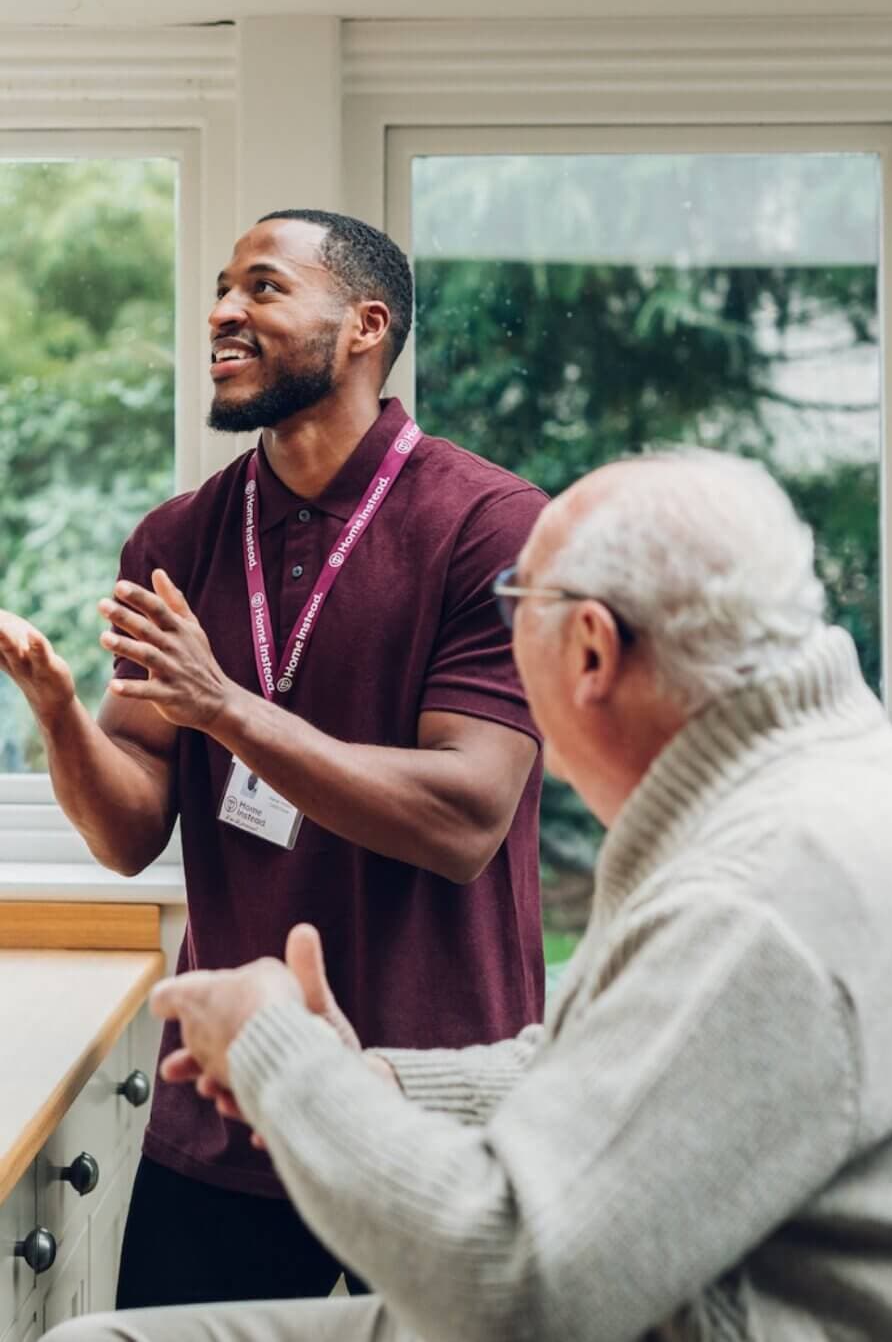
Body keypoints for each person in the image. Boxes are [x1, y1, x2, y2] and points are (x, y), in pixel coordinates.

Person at [48, 447, 892, 1342]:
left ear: (588, 649)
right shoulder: (847, 784)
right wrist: (384, 1080)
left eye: (517, 605)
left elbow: (513, 1287)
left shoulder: (761, 888)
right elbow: (644, 1065)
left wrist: (275, 1051)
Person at [0, 209, 547, 1308]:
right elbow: (127, 832)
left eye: (262, 287)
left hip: (437, 1111)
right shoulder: (178, 538)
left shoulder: (490, 524)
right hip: (228, 1110)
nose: (221, 312)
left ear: (363, 325)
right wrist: (60, 717)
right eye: (218, 289)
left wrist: (227, 708)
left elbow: (463, 819)